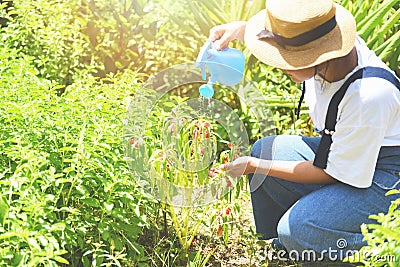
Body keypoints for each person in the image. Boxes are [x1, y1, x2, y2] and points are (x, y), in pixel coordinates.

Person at [210, 0, 400, 263]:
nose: (278, 64)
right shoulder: (332, 52)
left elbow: (329, 172)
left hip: (387, 181)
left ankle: (382, 247)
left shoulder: (368, 96)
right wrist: (242, 30)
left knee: (297, 228)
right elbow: (293, 36)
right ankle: (291, 244)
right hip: (348, 154)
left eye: (284, 59)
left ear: (315, 57)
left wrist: (254, 166)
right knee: (267, 150)